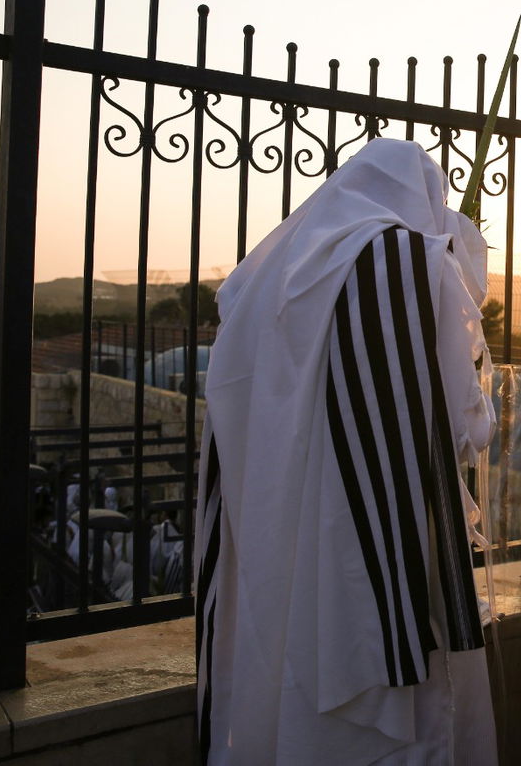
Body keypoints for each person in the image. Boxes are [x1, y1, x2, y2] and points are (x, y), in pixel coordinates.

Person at [196, 138, 497, 766]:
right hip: (379, 535)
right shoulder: (403, 261)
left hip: (278, 528)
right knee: (397, 705)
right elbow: (468, 428)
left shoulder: (269, 281)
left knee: (292, 669)